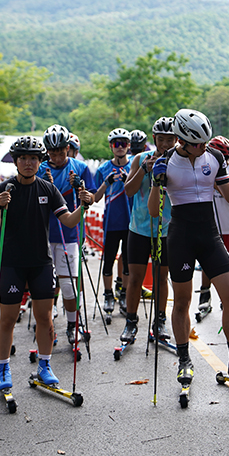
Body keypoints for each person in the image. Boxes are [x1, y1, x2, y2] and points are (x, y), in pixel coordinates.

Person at [149, 108, 229, 386]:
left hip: (210, 235)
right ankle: (185, 360)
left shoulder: (215, 157)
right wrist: (155, 182)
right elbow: (154, 211)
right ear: (181, 140)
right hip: (181, 237)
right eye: (196, 144)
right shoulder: (165, 161)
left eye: (204, 143)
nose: (202, 148)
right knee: (183, 303)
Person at [0, 136, 93, 389]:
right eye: (22, 158)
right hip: (12, 264)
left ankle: (45, 365)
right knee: (8, 318)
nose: (28, 163)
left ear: (39, 161)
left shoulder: (48, 188)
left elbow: (67, 221)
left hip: (41, 263)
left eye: (33, 158)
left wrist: (84, 206)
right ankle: (3, 369)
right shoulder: (4, 189)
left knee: (45, 317)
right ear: (15, 161)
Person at [37, 125, 97, 344]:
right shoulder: (40, 169)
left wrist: (81, 189)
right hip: (43, 236)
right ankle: (47, 325)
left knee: (69, 285)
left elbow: (91, 198)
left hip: (68, 234)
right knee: (45, 286)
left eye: (61, 151)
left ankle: (73, 325)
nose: (58, 157)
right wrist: (45, 187)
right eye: (53, 153)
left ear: (68, 148)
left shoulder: (79, 167)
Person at [122, 118, 177, 344]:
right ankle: (131, 322)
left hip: (166, 231)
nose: (165, 144)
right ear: (154, 139)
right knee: (135, 278)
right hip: (139, 229)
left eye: (170, 140)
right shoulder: (140, 159)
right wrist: (145, 169)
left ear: (177, 140)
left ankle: (160, 321)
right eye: (161, 139)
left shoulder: (180, 162)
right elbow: (128, 190)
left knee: (161, 278)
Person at [196, 136, 229, 313]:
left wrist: (216, 184)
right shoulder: (205, 169)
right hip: (211, 224)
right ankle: (204, 294)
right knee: (207, 261)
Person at [93, 128, 133, 318]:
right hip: (111, 222)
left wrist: (128, 181)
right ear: (111, 146)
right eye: (116, 144)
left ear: (129, 146)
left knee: (126, 262)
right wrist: (106, 183)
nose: (120, 147)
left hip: (130, 222)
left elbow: (140, 192)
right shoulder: (103, 169)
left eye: (123, 143)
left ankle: (123, 294)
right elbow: (94, 198)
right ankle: (108, 295)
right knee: (108, 261)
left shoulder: (134, 165)